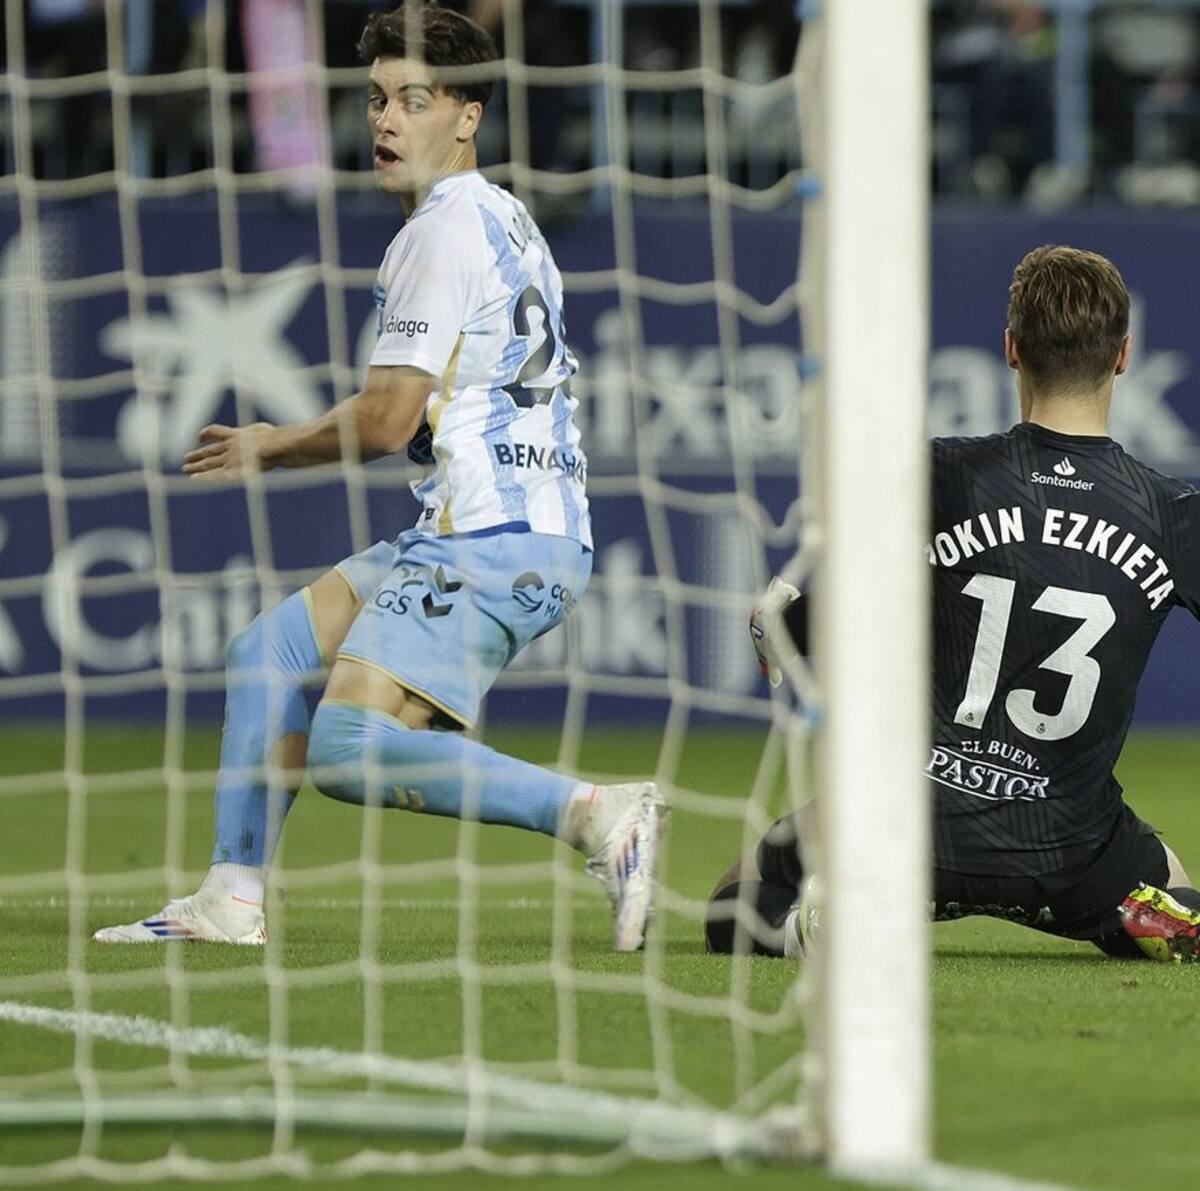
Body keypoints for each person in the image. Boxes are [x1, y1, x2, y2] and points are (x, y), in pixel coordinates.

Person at [94, 2, 665, 951]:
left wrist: (273, 443)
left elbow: (388, 418)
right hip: (500, 527)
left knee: (347, 748)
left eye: (414, 101)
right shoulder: (505, 217)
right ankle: (231, 895)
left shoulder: (440, 233)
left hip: (492, 537)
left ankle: (598, 814)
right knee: (270, 652)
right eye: (376, 100)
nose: (387, 121)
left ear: (468, 116)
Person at [710, 245, 1200, 964]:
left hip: (909, 832)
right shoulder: (1170, 513)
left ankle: (816, 924)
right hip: (1072, 855)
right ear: (1124, 356)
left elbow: (849, 611)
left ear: (1012, 349)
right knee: (1173, 885)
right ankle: (1146, 916)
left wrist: (779, 624)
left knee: (735, 897)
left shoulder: (941, 473)